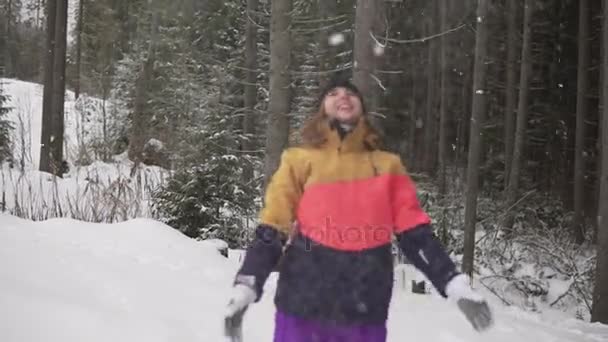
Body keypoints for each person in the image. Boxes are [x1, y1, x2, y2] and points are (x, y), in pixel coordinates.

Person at [223, 77, 493, 342]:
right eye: (333, 93)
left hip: (365, 308)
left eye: (351, 93)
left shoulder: (388, 166)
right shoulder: (298, 161)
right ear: (321, 110)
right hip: (301, 305)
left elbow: (416, 235)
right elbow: (273, 227)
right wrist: (247, 283)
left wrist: (452, 283)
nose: (343, 96)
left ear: (362, 108)